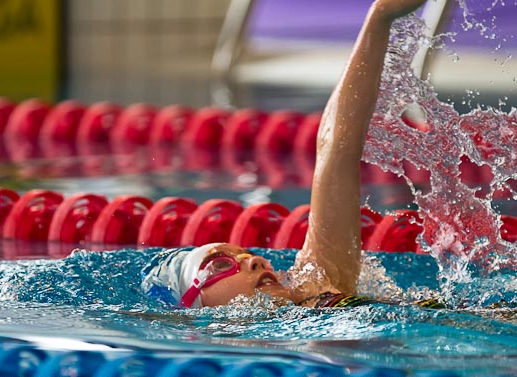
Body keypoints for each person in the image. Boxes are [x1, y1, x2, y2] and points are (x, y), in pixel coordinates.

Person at [143, 0, 432, 309]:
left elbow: (336, 146)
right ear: (195, 302)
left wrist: (380, 17)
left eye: (246, 254)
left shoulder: (315, 285)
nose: (254, 261)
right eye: (221, 265)